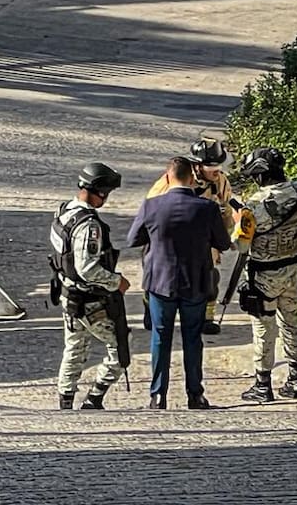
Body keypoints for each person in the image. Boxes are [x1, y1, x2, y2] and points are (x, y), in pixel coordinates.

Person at [127, 156, 231, 409]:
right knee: (193, 338)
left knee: (160, 336)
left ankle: (158, 395)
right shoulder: (206, 208)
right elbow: (224, 243)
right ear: (190, 177)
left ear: (168, 175)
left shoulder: (152, 205)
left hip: (160, 281)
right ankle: (195, 394)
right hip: (195, 280)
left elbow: (133, 239)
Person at [232, 148, 297, 402]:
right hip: (296, 271)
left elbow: (241, 245)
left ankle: (263, 384)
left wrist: (238, 218)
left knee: (263, 328)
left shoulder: (254, 205)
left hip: (265, 276)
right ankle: (295, 380)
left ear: (259, 175)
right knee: (291, 324)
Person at [51, 162, 130, 410]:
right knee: (119, 348)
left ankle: (65, 402)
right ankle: (94, 398)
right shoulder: (88, 225)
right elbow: (87, 268)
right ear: (99, 191)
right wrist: (117, 282)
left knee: (74, 348)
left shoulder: (64, 211)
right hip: (90, 300)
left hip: (68, 295)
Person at [145, 138, 236, 335]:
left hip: (202, 240)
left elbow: (227, 210)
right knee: (158, 276)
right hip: (170, 240)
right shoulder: (169, 183)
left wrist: (227, 234)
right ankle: (150, 309)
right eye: (211, 166)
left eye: (219, 165)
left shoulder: (220, 182)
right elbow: (150, 211)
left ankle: (207, 317)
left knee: (210, 277)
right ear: (196, 166)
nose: (217, 170)